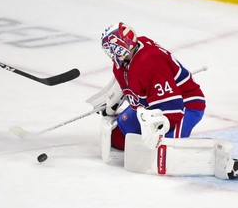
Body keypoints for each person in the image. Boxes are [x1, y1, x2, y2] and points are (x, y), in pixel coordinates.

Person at [94, 22, 237, 179]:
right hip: (149, 105)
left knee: (161, 153)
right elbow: (127, 79)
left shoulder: (149, 62)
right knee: (117, 138)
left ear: (122, 46)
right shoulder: (127, 57)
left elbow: (172, 107)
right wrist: (111, 102)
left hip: (185, 105)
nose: (110, 52)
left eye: (112, 48)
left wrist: (159, 127)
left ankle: (222, 160)